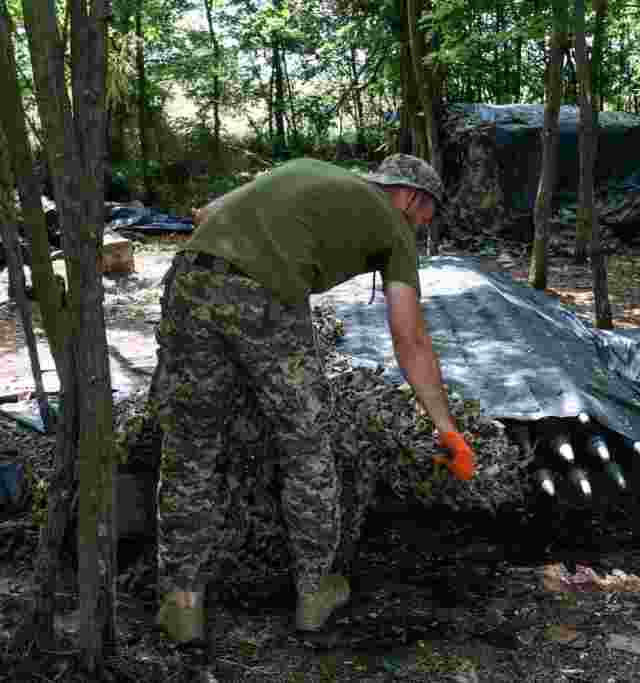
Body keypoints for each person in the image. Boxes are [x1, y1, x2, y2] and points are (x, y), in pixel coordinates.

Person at [153, 154, 477, 647]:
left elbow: (207, 213)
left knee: (189, 448)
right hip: (267, 294)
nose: (424, 225)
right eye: (428, 214)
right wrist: (445, 427)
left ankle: (182, 606)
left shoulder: (305, 169)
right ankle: (313, 594)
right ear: (413, 198)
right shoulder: (396, 228)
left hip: (191, 279)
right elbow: (409, 340)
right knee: (305, 447)